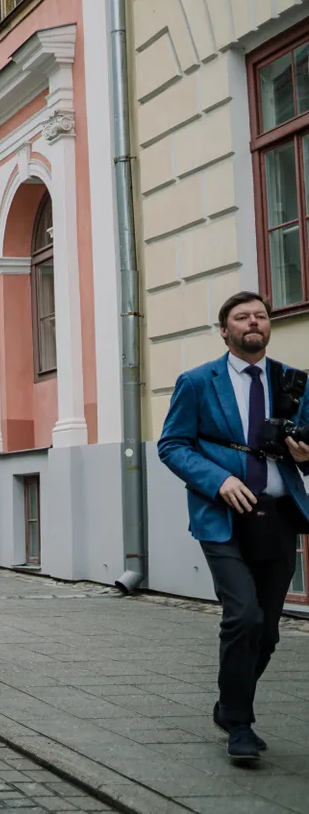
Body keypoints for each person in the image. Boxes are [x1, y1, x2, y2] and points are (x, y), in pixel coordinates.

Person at [159, 291, 309, 763]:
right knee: (243, 616)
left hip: (280, 518)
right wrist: (218, 479)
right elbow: (172, 445)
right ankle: (240, 725)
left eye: (260, 316)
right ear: (224, 330)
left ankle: (228, 705)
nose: (253, 323)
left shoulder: (295, 382)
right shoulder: (197, 382)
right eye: (241, 317)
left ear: (269, 327)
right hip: (222, 519)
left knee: (266, 632)